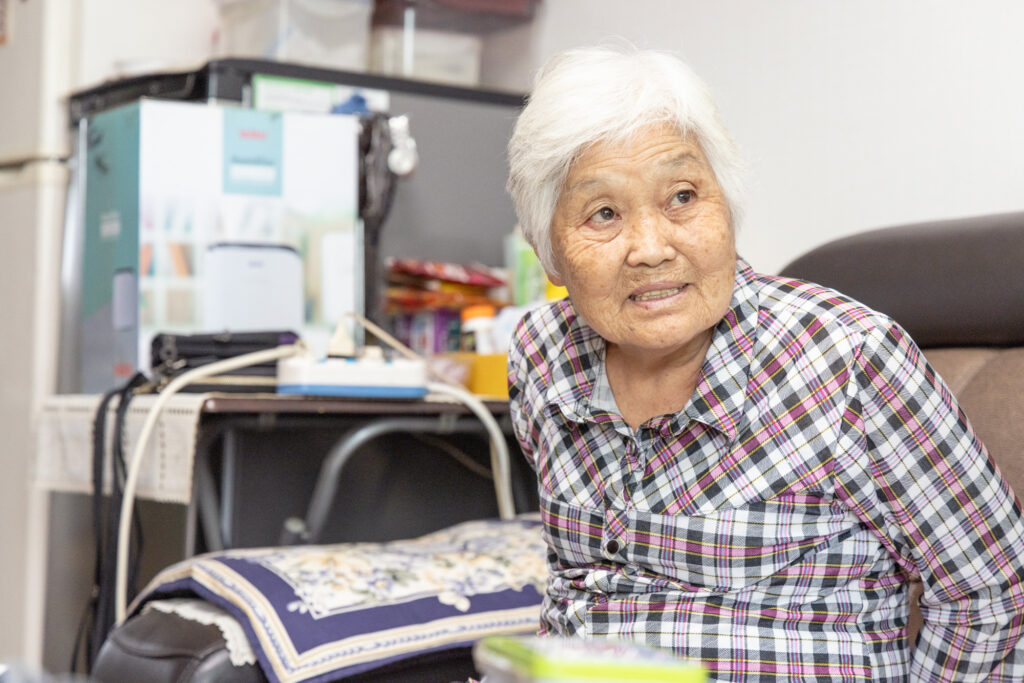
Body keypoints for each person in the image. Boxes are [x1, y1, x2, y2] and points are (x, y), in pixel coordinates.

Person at [505, 45, 1024, 682]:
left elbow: (990, 596)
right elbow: (574, 585)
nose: (651, 248)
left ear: (727, 204)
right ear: (548, 250)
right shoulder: (541, 355)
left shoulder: (850, 359)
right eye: (604, 213)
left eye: (682, 196)